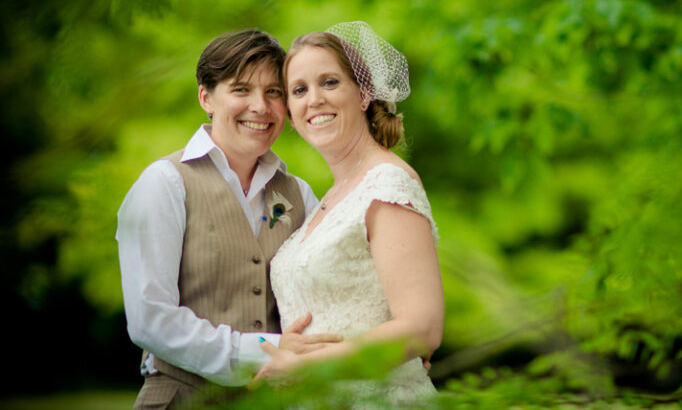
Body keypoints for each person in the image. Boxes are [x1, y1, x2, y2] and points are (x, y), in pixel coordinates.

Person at [117, 29, 340, 409]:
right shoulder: (165, 182)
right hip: (180, 398)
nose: (261, 106)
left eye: (274, 92)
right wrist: (263, 351)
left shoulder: (299, 194)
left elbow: (330, 291)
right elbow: (149, 318)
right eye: (241, 90)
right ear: (206, 97)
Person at [256, 21, 444, 405]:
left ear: (363, 94)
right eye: (299, 90)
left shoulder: (387, 185)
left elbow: (422, 329)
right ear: (290, 113)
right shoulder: (326, 200)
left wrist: (306, 368)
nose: (315, 99)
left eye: (329, 82)